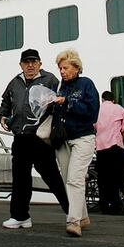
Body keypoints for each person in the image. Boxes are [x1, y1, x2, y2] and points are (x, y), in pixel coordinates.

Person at [0, 49, 70, 230]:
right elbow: (5, 105)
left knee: (52, 177)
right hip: (20, 138)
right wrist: (3, 118)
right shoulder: (14, 83)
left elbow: (59, 105)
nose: (30, 65)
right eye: (26, 62)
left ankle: (73, 213)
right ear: (21, 64)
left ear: (40, 64)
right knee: (20, 179)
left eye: (33, 62)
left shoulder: (50, 80)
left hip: (39, 139)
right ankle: (20, 216)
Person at [51, 49, 100, 237]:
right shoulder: (61, 87)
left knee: (75, 179)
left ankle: (73, 221)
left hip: (83, 137)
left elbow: (93, 112)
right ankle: (83, 217)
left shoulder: (86, 84)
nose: (62, 71)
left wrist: (68, 102)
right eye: (60, 68)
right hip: (63, 139)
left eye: (65, 67)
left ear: (76, 67)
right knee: (67, 179)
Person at [94, 90, 124, 216]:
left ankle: (104, 205)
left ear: (102, 99)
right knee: (115, 177)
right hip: (115, 146)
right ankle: (116, 205)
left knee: (102, 178)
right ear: (113, 99)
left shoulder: (97, 109)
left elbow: (94, 127)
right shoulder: (119, 108)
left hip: (101, 148)